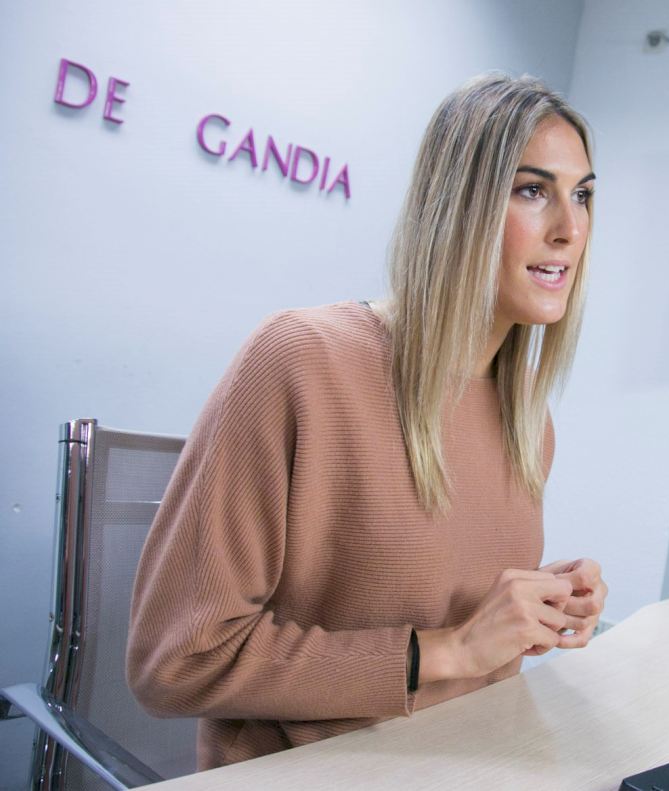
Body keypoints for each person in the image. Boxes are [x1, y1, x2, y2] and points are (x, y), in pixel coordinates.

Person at [126, 73, 607, 770]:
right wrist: (448, 650)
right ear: (459, 207)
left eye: (582, 194)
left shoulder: (527, 415)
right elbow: (175, 661)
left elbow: (442, 603)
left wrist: (538, 607)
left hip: (471, 766)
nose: (569, 229)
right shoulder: (301, 360)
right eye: (532, 191)